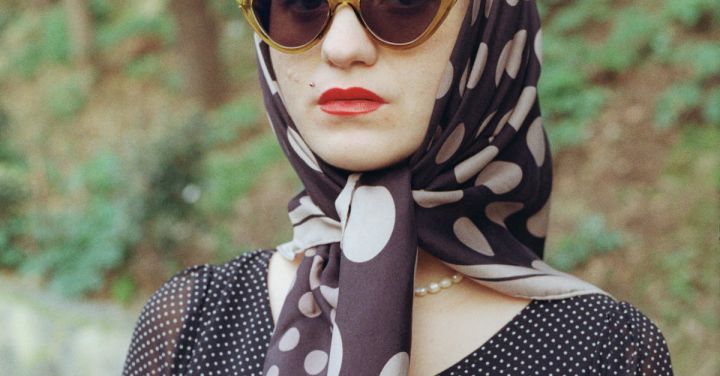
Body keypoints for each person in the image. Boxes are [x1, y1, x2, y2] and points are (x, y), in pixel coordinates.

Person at [122, 0, 674, 374]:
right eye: (299, 4)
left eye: (403, 1)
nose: (342, 46)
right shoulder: (191, 323)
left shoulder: (602, 353)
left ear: (492, 24)